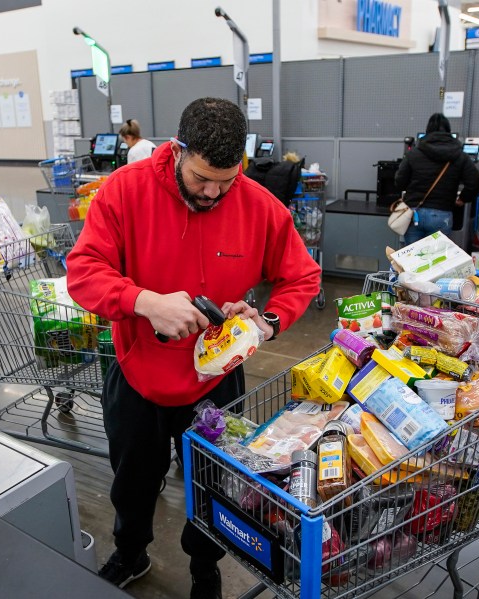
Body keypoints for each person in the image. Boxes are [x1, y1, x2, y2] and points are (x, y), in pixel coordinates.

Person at [66, 98, 320, 598]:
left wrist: (266, 323)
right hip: (137, 373)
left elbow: (302, 277)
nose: (214, 192)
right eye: (203, 178)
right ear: (178, 150)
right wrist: (142, 301)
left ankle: (206, 567)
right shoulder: (125, 191)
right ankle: (132, 551)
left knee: (214, 486)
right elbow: (83, 273)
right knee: (133, 481)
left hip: (217, 379)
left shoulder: (258, 205)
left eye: (227, 180)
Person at [395, 113, 479, 246]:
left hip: (413, 214)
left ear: (427, 131)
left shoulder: (413, 153)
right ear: (448, 131)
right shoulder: (460, 156)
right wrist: (462, 199)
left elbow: (399, 182)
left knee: (411, 262)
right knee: (436, 263)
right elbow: (475, 182)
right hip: (442, 214)